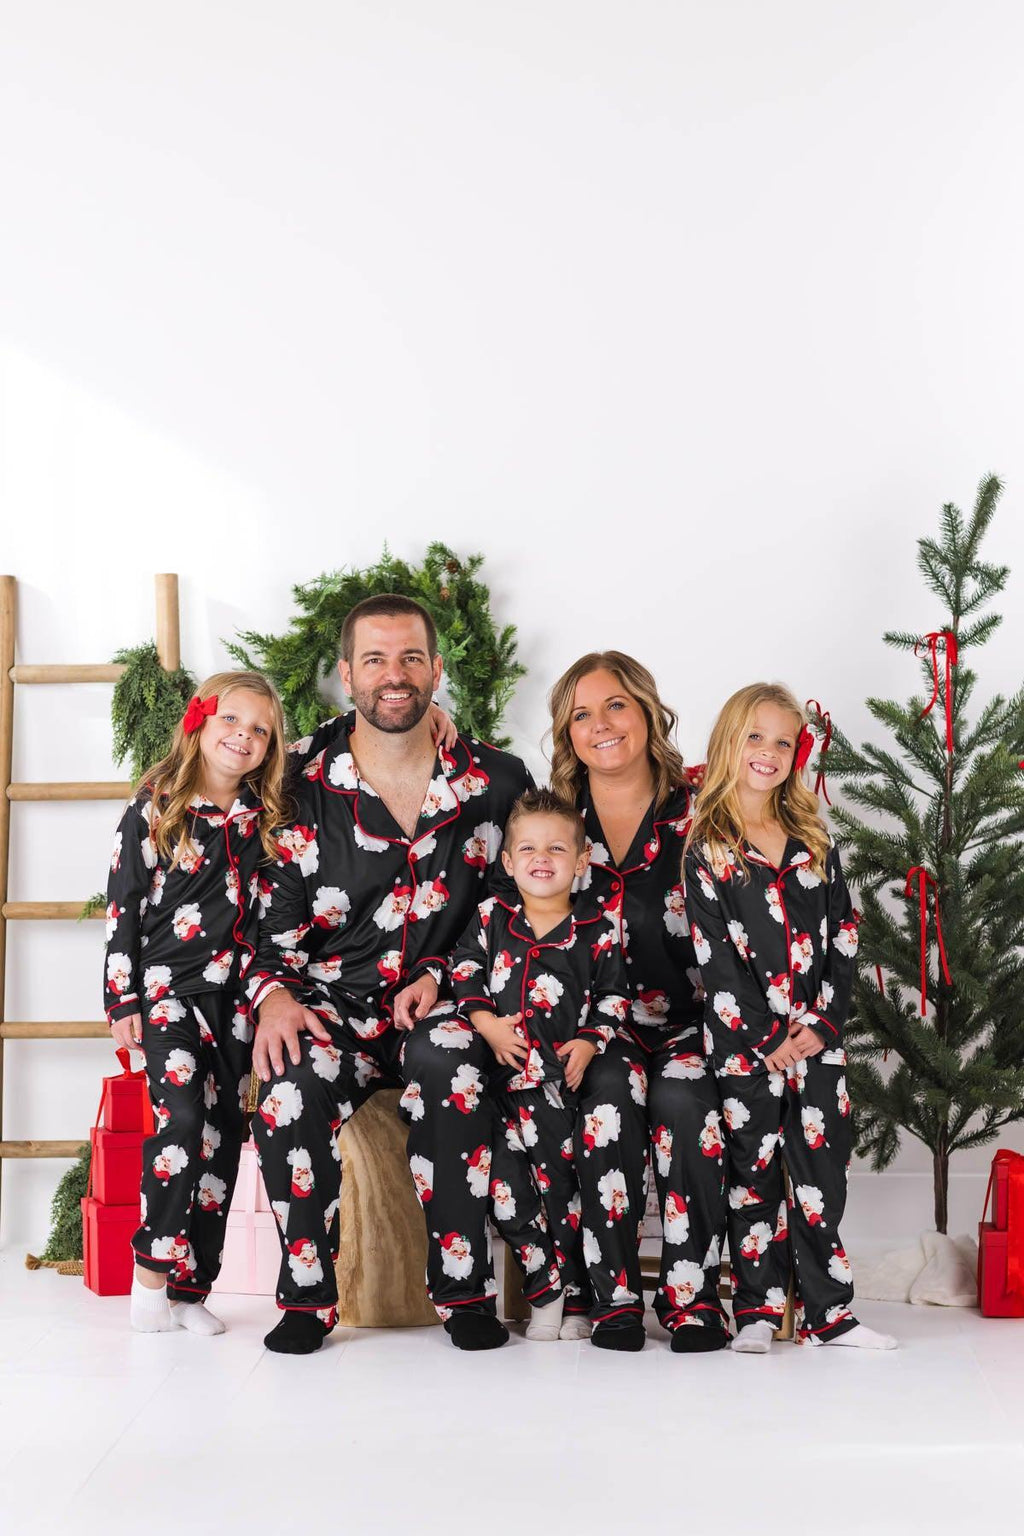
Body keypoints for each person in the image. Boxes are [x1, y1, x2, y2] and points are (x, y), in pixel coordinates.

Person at [248, 594, 533, 1354]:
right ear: (346, 675)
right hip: (327, 1002)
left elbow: (516, 908)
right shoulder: (296, 780)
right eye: (375, 660)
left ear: (437, 669)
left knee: (454, 1063)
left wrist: (446, 973)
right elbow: (264, 919)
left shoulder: (497, 782)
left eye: (411, 657)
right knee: (288, 1084)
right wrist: (273, 995)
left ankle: (463, 1291)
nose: (394, 676)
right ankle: (307, 1298)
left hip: (442, 998)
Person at [683, 682, 897, 1352]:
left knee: (821, 1173)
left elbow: (845, 942)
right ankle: (755, 1310)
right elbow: (714, 962)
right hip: (748, 1049)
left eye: (783, 740)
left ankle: (832, 1315)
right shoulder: (708, 848)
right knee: (754, 1174)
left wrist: (824, 1026)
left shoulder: (813, 840)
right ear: (729, 743)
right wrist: (767, 1037)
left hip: (819, 1047)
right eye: (756, 737)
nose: (769, 752)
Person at [548, 652, 730, 1352]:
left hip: (693, 1025)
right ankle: (614, 1298)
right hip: (598, 1026)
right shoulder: (555, 819)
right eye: (582, 714)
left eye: (615, 705)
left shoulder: (702, 806)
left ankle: (690, 1299)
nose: (601, 725)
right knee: (605, 1101)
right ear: (566, 732)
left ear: (648, 711)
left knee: (687, 1106)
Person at [104, 671, 291, 1335]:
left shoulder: (264, 818)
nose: (244, 736)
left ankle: (191, 1289)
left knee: (223, 1137)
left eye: (260, 730)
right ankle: (150, 1273)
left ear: (272, 747)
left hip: (236, 1004)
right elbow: (124, 901)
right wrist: (121, 995)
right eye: (231, 721)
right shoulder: (161, 801)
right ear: (201, 723)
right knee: (181, 1124)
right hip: (164, 993)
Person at [448, 787, 631, 1341]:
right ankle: (543, 1290)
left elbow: (614, 996)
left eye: (556, 849)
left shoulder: (598, 929)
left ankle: (576, 1301)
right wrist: (487, 1025)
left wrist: (590, 1041)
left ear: (581, 862)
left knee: (566, 1194)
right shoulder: (490, 917)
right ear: (507, 861)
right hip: (503, 1091)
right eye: (527, 849)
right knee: (506, 1188)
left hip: (560, 1091)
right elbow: (464, 973)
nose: (541, 859)